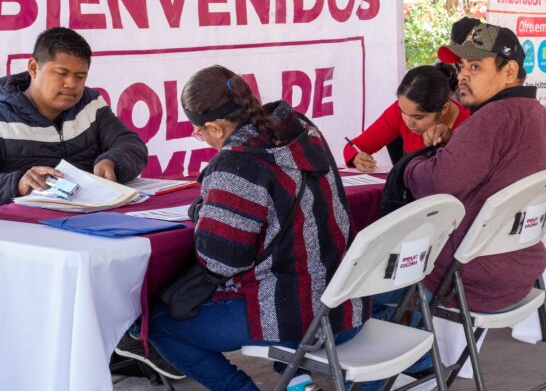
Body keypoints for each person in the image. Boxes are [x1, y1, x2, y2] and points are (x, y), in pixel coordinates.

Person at [116, 65, 367, 389]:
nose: (202, 139)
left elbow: (221, 260)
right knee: (284, 265)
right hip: (347, 306)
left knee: (156, 323)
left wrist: (205, 209)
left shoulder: (237, 163)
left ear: (214, 128)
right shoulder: (300, 126)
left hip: (299, 317)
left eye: (199, 132)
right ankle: (297, 381)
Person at [403, 22, 546, 312]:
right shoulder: (541, 116)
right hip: (521, 266)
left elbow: (438, 183)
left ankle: (417, 357)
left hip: (467, 275)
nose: (462, 75)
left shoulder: (492, 118)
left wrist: (412, 164)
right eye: (462, 66)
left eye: (475, 67)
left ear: (510, 72)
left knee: (357, 280)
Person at [0, 27, 147, 202]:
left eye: (80, 76)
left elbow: (131, 144)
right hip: (23, 225)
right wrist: (18, 183)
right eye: (62, 73)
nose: (71, 84)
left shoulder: (90, 104)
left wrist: (112, 161)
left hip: (93, 215)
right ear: (33, 68)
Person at [343, 64, 470, 172]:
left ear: (444, 109)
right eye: (403, 111)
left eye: (418, 117)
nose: (408, 122)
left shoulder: (470, 124)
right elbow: (355, 146)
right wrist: (356, 158)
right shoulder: (399, 111)